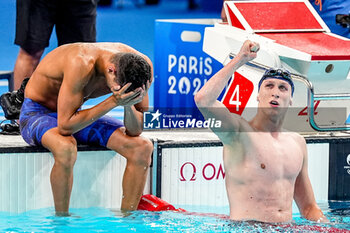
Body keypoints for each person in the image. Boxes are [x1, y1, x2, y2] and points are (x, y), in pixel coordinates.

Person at [194, 40, 328, 223]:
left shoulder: (297, 142)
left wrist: (327, 226)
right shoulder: (239, 133)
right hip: (248, 228)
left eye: (283, 88)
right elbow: (203, 100)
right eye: (269, 86)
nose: (275, 93)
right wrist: (240, 60)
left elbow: (309, 207)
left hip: (286, 228)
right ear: (258, 95)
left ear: (291, 100)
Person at [19, 42, 154, 216]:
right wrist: (114, 101)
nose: (123, 93)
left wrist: (129, 105)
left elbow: (135, 131)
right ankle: (62, 220)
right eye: (122, 90)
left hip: (72, 113)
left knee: (142, 147)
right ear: (111, 70)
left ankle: (129, 220)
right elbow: (65, 126)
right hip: (36, 114)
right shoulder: (80, 62)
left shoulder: (143, 65)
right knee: (65, 146)